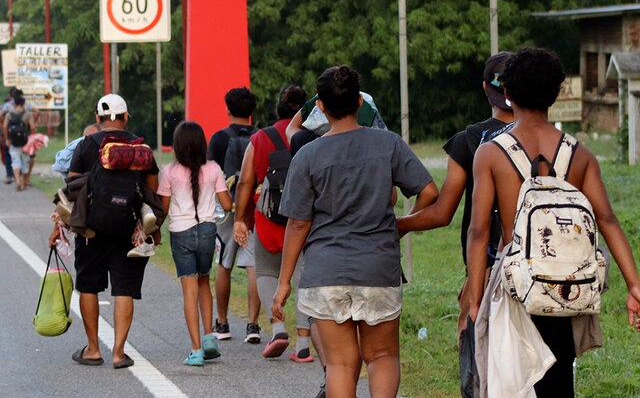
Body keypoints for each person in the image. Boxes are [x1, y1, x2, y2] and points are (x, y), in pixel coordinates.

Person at [467, 48, 640, 397]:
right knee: (558, 377)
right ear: (557, 94)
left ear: (508, 94)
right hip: (564, 287)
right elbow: (606, 219)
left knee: (511, 382)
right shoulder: (580, 155)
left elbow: (478, 231)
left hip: (515, 285)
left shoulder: (490, 154)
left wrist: (474, 301)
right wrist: (635, 285)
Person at [271, 66, 438, 398]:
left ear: (319, 107)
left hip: (325, 271)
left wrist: (284, 282)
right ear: (360, 101)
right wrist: (400, 225)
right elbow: (430, 192)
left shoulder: (307, 155)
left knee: (341, 365)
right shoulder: (388, 144)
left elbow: (299, 223)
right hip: (378, 267)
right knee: (382, 356)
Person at [397, 51, 515, 339]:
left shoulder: (471, 140)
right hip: (538, 262)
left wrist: (396, 225)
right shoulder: (544, 138)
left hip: (485, 264)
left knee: (474, 339)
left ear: (486, 88)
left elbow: (442, 213)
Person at [68, 93, 159, 368]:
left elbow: (72, 186)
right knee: (124, 289)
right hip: (129, 229)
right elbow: (152, 187)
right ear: (126, 117)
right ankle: (119, 353)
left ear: (98, 118)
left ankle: (93, 349)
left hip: (91, 231)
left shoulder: (86, 145)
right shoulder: (140, 147)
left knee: (88, 286)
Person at [233, 84, 313, 361]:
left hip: (267, 217)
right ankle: (303, 346)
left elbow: (245, 181)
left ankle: (278, 327)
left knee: (266, 272)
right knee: (304, 278)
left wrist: (239, 219)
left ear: (277, 108)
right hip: (304, 218)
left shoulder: (260, 138)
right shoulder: (314, 136)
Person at [158, 121, 233, 366]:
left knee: (188, 290)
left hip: (181, 232)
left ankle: (196, 349)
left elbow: (164, 208)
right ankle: (209, 337)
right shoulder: (213, 168)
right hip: (208, 231)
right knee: (204, 282)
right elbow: (228, 204)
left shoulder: (170, 171)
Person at [207, 86, 262, 343]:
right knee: (253, 265)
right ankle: (253, 325)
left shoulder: (219, 138)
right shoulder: (261, 136)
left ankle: (222, 322)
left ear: (228, 109)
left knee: (224, 264)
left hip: (226, 207)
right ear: (252, 111)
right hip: (253, 207)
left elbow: (210, 173)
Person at [2, 93, 35, 191]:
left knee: (15, 161)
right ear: (24, 104)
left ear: (14, 104)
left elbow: (4, 126)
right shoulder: (28, 114)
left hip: (13, 142)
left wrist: (7, 139)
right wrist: (32, 138)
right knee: (25, 161)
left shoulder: (9, 114)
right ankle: (24, 183)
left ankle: (17, 181)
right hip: (25, 142)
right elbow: (32, 127)